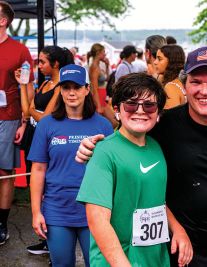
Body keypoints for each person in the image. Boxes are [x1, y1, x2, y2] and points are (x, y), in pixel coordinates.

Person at [76, 46, 207, 267]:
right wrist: (91, 146)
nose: (204, 90)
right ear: (185, 86)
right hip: (184, 252)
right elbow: (126, 139)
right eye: (196, 82)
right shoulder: (163, 126)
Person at [76, 73, 192, 267]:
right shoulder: (104, 152)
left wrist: (178, 229)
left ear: (158, 113)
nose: (140, 111)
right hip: (118, 261)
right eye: (131, 104)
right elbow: (97, 219)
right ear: (117, 110)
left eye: (149, 105)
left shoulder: (156, 147)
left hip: (155, 258)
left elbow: (155, 200)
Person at [28, 64, 114, 266]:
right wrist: (35, 212)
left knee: (97, 264)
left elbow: (112, 170)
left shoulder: (103, 125)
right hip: (57, 209)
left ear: (86, 89)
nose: (71, 93)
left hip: (94, 208)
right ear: (60, 90)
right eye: (66, 87)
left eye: (76, 87)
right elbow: (38, 170)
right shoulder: (46, 125)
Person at [16, 46, 74, 255]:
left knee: (47, 188)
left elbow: (45, 119)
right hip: (35, 137)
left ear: (55, 63)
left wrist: (33, 111)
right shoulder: (46, 83)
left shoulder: (61, 87)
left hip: (50, 140)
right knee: (36, 187)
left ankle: (53, 239)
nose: (38, 66)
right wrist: (24, 86)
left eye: (42, 62)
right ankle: (46, 237)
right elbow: (27, 110)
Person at [0, 0, 35, 245]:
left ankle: (1, 224)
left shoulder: (20, 50)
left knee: (4, 171)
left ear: (3, 21)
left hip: (8, 117)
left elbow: (28, 87)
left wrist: (24, 122)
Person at [87, 43, 117, 127]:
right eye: (104, 52)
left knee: (113, 123)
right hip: (99, 97)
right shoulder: (95, 67)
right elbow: (94, 88)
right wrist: (98, 106)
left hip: (102, 97)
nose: (105, 54)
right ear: (98, 53)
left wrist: (107, 65)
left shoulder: (97, 66)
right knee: (113, 123)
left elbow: (107, 79)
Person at [154, 44, 186, 109]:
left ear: (171, 61)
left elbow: (171, 117)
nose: (155, 62)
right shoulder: (183, 83)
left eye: (159, 59)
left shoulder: (170, 87)